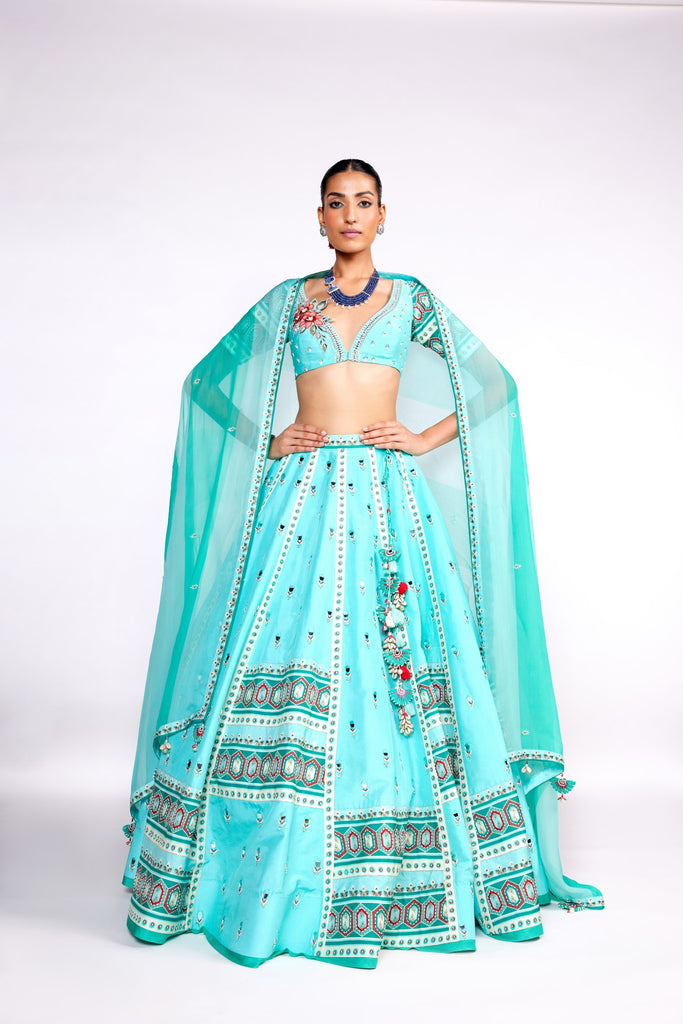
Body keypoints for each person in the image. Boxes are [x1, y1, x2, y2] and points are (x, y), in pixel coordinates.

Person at [122, 159, 603, 969]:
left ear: (383, 215)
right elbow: (205, 385)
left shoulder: (410, 299)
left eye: (364, 202)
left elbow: (494, 387)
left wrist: (419, 438)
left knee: (400, 654)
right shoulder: (291, 300)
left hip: (387, 498)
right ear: (319, 217)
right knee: (276, 651)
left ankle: (401, 858)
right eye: (336, 203)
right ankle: (259, 867)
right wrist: (267, 440)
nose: (350, 215)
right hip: (300, 497)